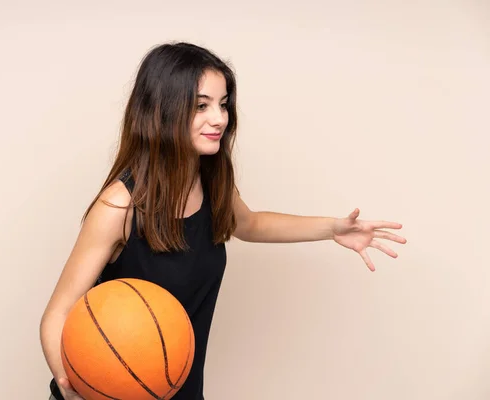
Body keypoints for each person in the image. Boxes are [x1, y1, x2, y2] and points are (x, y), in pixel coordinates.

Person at [39, 41, 407, 400]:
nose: (219, 118)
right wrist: (74, 389)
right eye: (201, 106)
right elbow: (57, 314)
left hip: (180, 389)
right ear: (162, 111)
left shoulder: (210, 180)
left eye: (223, 104)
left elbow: (251, 225)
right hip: (110, 392)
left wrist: (332, 228)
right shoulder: (120, 206)